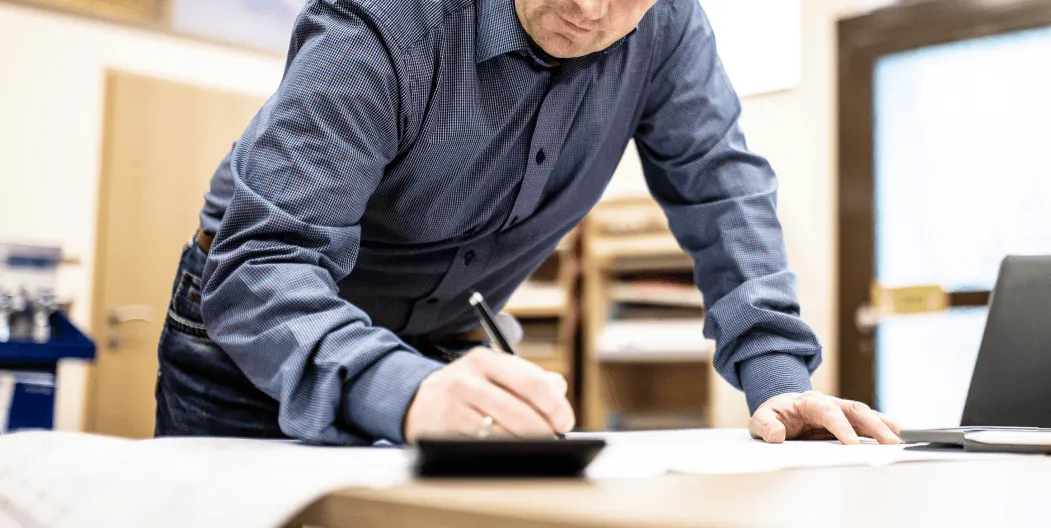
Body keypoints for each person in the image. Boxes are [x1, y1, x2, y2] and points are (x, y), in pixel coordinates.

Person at [154, 0, 902, 446]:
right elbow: (264, 265)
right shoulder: (385, 21)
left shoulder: (669, 27)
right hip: (258, 335)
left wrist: (776, 377)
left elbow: (721, 190)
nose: (587, 6)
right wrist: (404, 390)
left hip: (441, 344)